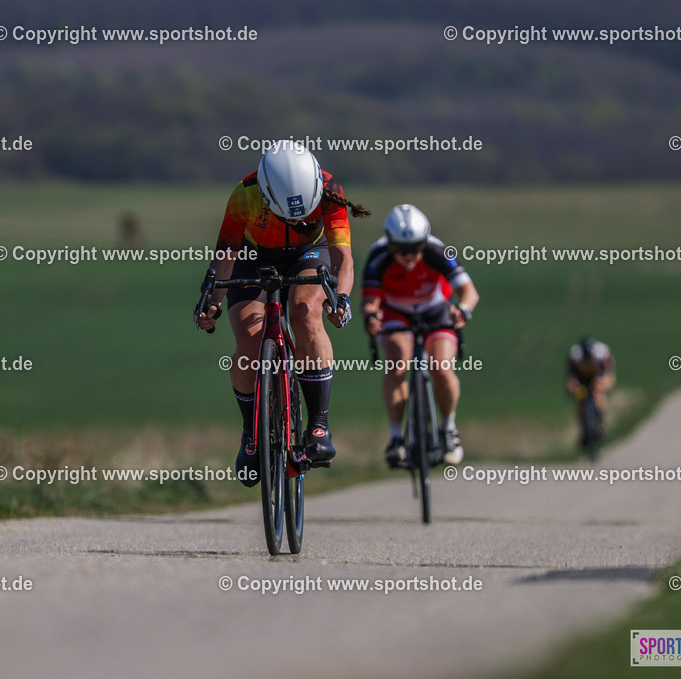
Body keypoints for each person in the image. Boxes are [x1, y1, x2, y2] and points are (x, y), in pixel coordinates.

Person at [195, 143, 369, 487]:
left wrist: (343, 299)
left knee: (305, 312)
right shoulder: (245, 194)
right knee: (248, 338)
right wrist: (211, 300)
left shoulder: (330, 189)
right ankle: (251, 432)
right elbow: (225, 255)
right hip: (254, 257)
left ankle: (318, 424)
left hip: (310, 254)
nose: (296, 220)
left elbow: (343, 259)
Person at [361, 204, 479, 468]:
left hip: (435, 309)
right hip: (395, 311)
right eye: (402, 250)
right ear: (390, 244)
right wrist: (371, 316)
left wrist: (463, 311)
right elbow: (370, 301)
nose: (410, 255)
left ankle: (449, 430)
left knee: (441, 367)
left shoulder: (437, 251)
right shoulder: (378, 255)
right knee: (396, 365)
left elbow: (469, 292)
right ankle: (395, 439)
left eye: (416, 248)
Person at [565, 336, 616, 436]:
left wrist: (606, 379)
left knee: (598, 393)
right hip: (581, 378)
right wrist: (572, 386)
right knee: (580, 398)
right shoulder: (575, 355)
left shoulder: (601, 352)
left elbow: (609, 366)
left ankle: (600, 423)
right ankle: (583, 428)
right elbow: (571, 373)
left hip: (597, 375)